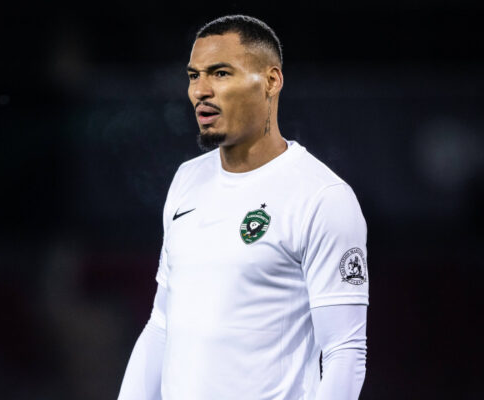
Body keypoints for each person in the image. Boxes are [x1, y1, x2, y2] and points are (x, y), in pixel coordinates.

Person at [118, 15, 369, 400]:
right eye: (193, 75)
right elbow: (161, 326)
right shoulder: (186, 180)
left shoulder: (323, 198)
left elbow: (344, 352)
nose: (200, 90)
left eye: (220, 73)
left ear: (271, 81)